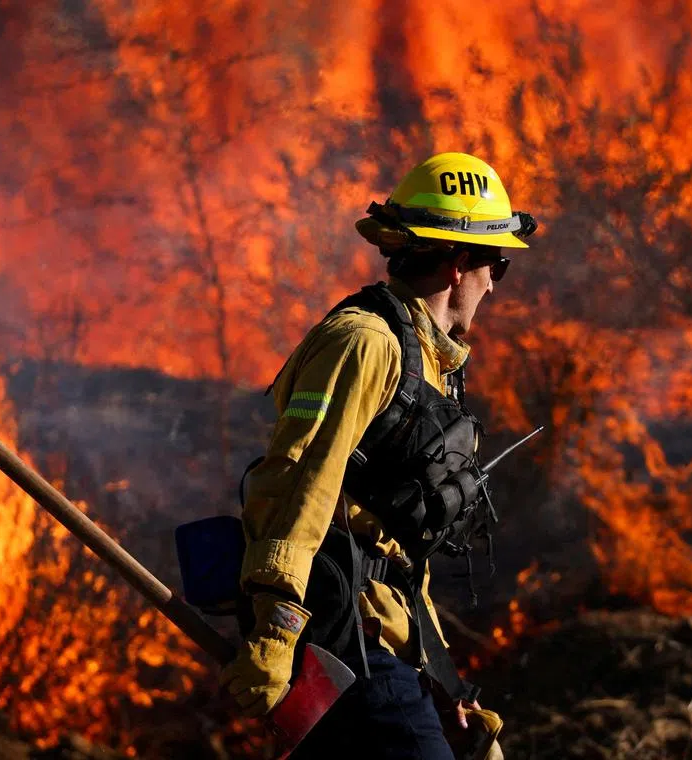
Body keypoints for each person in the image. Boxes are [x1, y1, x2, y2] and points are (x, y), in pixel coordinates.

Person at [220, 152, 536, 759]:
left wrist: (446, 689)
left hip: (386, 638)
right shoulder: (364, 343)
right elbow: (295, 485)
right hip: (340, 643)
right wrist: (278, 628)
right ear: (458, 261)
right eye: (496, 264)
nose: (495, 283)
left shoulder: (427, 362)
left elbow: (393, 558)